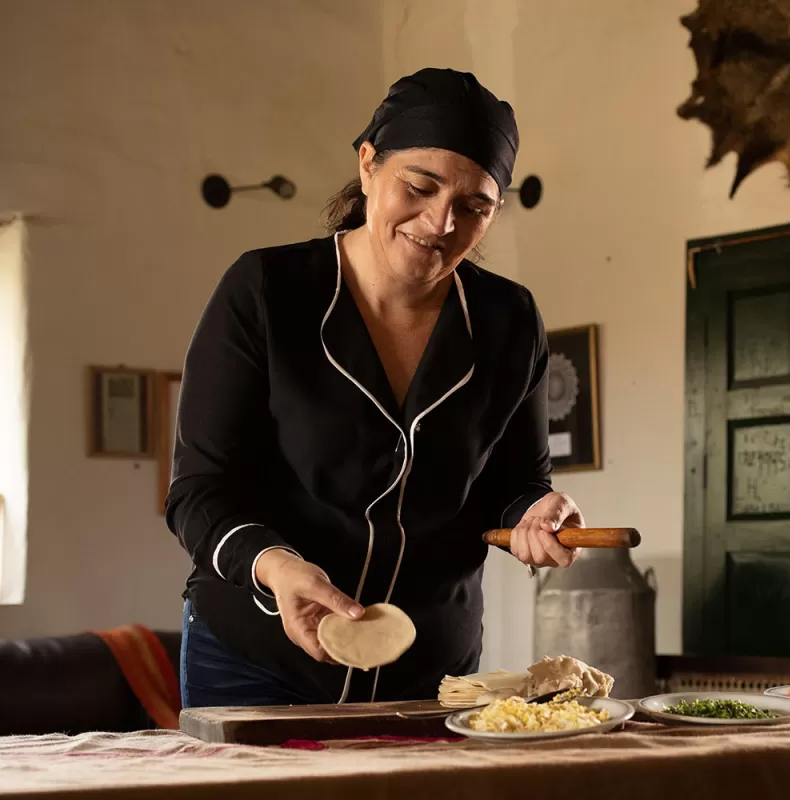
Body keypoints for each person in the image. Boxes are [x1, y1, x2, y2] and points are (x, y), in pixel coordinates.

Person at [167, 68, 583, 708]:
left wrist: (537, 512)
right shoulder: (266, 292)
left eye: (474, 207)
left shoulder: (510, 320)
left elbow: (516, 483)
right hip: (257, 657)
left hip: (430, 668)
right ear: (367, 165)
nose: (440, 222)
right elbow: (198, 491)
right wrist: (275, 565)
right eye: (419, 186)